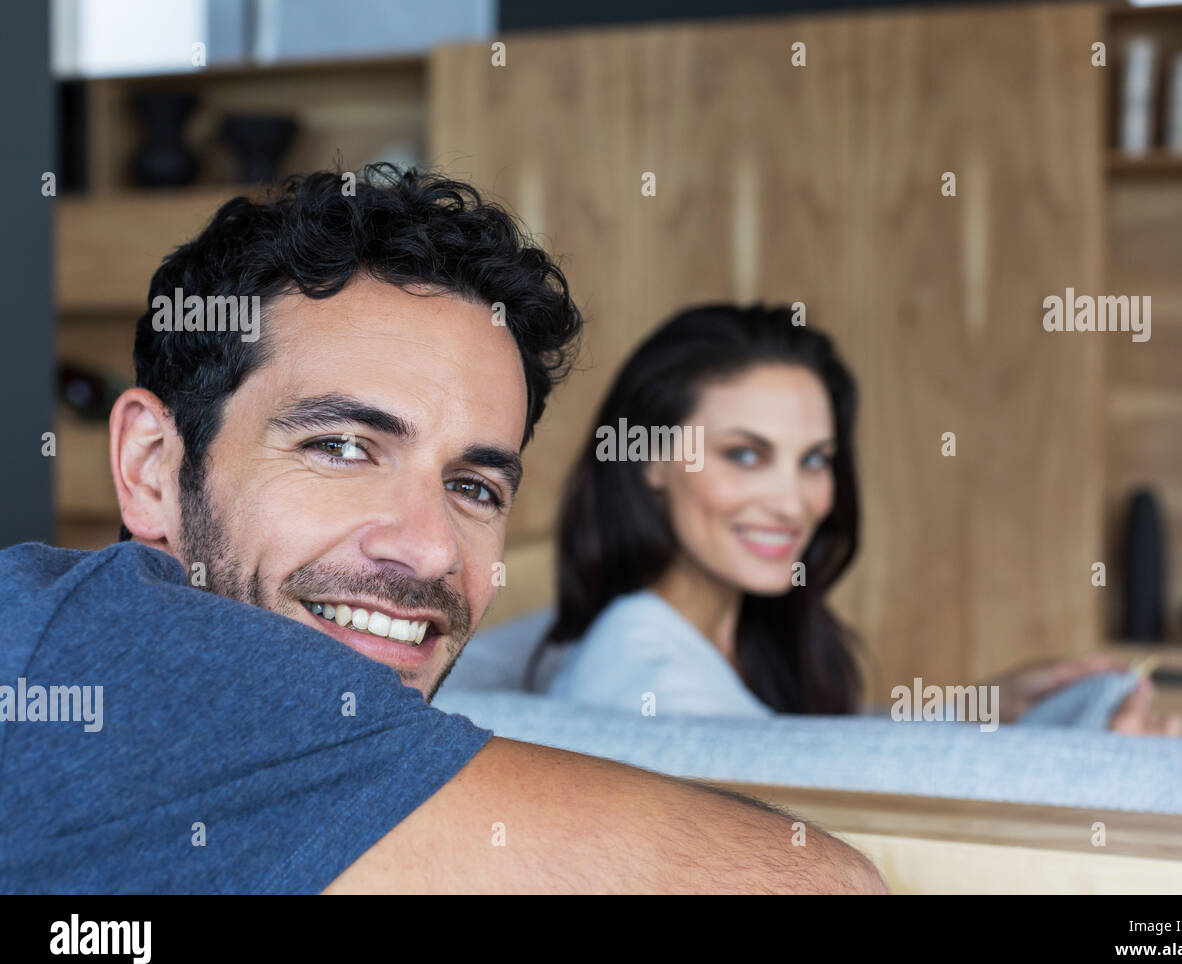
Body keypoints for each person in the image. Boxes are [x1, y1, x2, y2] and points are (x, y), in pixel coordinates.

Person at [0, 168, 885, 894]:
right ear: (151, 465)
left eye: (472, 485)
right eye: (342, 446)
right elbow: (816, 886)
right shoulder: (97, 650)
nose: (428, 549)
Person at [536, 304, 1182, 735]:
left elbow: (810, 754)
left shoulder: (738, 639)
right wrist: (1090, 777)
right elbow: (807, 819)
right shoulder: (639, 674)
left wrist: (990, 711)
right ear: (647, 460)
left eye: (813, 460)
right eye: (745, 454)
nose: (794, 503)